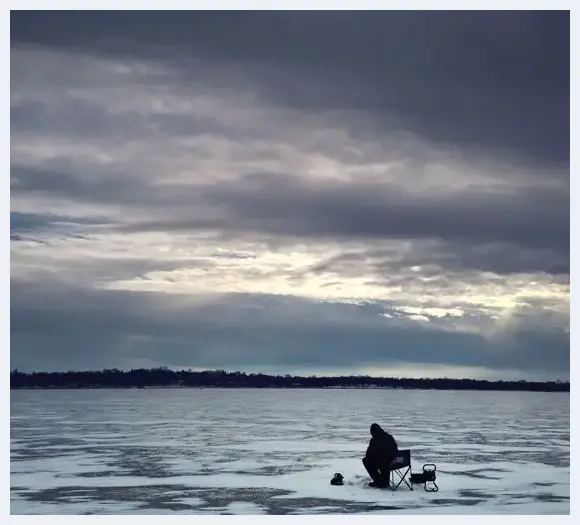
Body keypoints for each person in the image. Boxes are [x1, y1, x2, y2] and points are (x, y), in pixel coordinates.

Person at [362, 423, 399, 488]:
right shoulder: (389, 437)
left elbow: (368, 454)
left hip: (383, 462)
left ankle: (379, 481)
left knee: (366, 460)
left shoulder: (374, 440)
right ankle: (384, 481)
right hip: (393, 462)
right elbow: (395, 449)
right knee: (380, 460)